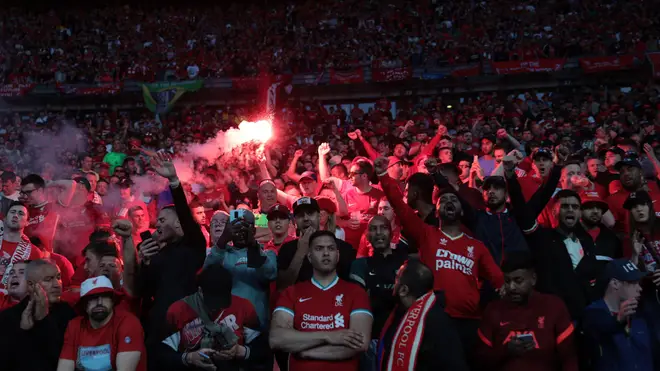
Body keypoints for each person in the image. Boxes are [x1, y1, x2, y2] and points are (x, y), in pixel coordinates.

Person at [270, 230, 373, 371]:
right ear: (309, 256)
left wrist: (305, 351)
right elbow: (276, 338)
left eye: (330, 248)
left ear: (338, 255)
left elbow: (360, 344)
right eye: (319, 248)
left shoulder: (356, 293)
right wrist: (329, 336)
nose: (326, 253)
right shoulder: (291, 293)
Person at [139, 153, 208, 340]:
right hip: (159, 325)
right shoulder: (156, 254)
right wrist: (144, 263)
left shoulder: (193, 245)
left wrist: (174, 181)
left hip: (188, 323)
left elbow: (186, 215)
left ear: (179, 224)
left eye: (162, 220)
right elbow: (145, 291)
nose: (157, 224)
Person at [477, 251, 578, 371]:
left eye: (518, 280)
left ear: (533, 279)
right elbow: (480, 360)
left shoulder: (553, 306)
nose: (511, 287)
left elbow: (569, 358)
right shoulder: (493, 309)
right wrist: (506, 350)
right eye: (507, 281)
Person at [156, 263, 267, 371]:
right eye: (212, 301)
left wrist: (241, 351)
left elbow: (262, 349)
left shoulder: (244, 307)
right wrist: (188, 358)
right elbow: (162, 355)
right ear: (200, 291)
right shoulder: (178, 310)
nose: (217, 307)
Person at [378, 259, 469, 371]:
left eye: (397, 278)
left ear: (403, 290)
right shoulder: (399, 312)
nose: (393, 282)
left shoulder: (438, 323)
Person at [349, 216, 408, 370]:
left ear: (392, 233)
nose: (379, 233)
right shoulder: (360, 265)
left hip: (402, 337)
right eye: (373, 229)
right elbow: (359, 303)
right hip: (371, 340)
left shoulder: (405, 264)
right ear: (367, 236)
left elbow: (410, 302)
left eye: (383, 228)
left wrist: (376, 293)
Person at [205, 208, 277, 330]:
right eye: (236, 227)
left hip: (256, 324)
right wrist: (223, 240)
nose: (240, 231)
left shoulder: (267, 253)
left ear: (253, 230)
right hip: (226, 325)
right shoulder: (222, 253)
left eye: (245, 227)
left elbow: (269, 275)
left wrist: (252, 245)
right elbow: (207, 274)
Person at [56, 275, 146, 371]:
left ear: (113, 301)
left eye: (105, 296)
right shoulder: (75, 326)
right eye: (93, 298)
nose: (99, 302)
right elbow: (64, 367)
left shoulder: (128, 322)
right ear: (84, 305)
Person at [0, 259, 76, 371]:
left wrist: (44, 320)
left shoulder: (68, 312)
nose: (57, 284)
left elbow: (64, 357)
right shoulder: (8, 318)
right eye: (48, 279)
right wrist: (23, 332)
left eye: (58, 277)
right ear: (31, 285)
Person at [583, 259, 653, 371]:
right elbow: (598, 327)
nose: (639, 288)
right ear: (615, 283)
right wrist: (618, 321)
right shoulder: (593, 314)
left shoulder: (641, 313)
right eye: (633, 283)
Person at [277, 197, 356, 290]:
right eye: (300, 215)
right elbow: (282, 287)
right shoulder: (287, 249)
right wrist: (300, 252)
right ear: (295, 221)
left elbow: (350, 288)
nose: (306, 218)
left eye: (310, 213)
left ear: (319, 216)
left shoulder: (341, 247)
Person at [0, 201, 44, 293]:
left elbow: (36, 284)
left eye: (21, 213)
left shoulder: (34, 252)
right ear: (4, 218)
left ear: (27, 222)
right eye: (12, 212)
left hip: (13, 302)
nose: (15, 215)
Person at [20, 174, 59, 253]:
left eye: (28, 192)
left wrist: (49, 184)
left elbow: (71, 185)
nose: (25, 196)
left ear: (40, 191)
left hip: (47, 258)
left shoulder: (53, 208)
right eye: (23, 193)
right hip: (25, 256)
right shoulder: (22, 210)